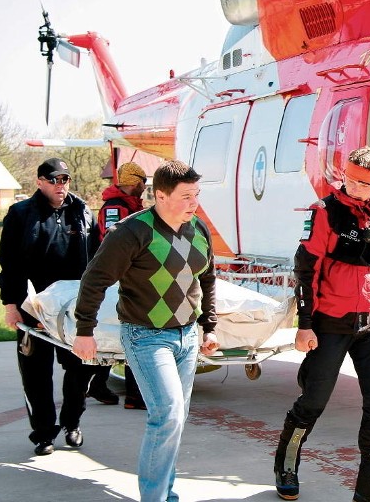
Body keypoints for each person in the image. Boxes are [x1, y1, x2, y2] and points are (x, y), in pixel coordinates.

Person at [274, 146, 370, 502]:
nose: (357, 189)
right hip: (329, 323)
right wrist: (305, 324)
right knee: (313, 400)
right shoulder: (324, 212)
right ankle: (287, 466)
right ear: (344, 175)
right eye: (353, 181)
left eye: (366, 185)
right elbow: (306, 270)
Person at [72, 159, 219, 502]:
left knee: (176, 419)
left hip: (186, 337)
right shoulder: (131, 231)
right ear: (161, 195)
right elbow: (95, 279)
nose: (194, 203)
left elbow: (207, 278)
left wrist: (209, 327)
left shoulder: (198, 229)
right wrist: (84, 329)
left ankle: (165, 493)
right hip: (146, 336)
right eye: (186, 196)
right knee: (167, 413)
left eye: (196, 194)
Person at [0, 157, 100, 456]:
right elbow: (10, 263)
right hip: (34, 306)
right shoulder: (20, 214)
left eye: (65, 179)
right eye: (54, 179)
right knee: (35, 372)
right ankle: (43, 433)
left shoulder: (82, 211)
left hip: (74, 308)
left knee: (82, 367)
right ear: (40, 182)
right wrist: (10, 305)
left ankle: (72, 422)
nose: (60, 185)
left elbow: (96, 260)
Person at [87, 161, 148, 409]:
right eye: (143, 184)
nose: (144, 189)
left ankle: (98, 385)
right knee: (134, 330)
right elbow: (115, 240)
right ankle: (134, 395)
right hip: (120, 277)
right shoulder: (115, 207)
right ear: (135, 182)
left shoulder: (128, 206)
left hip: (124, 275)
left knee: (120, 332)